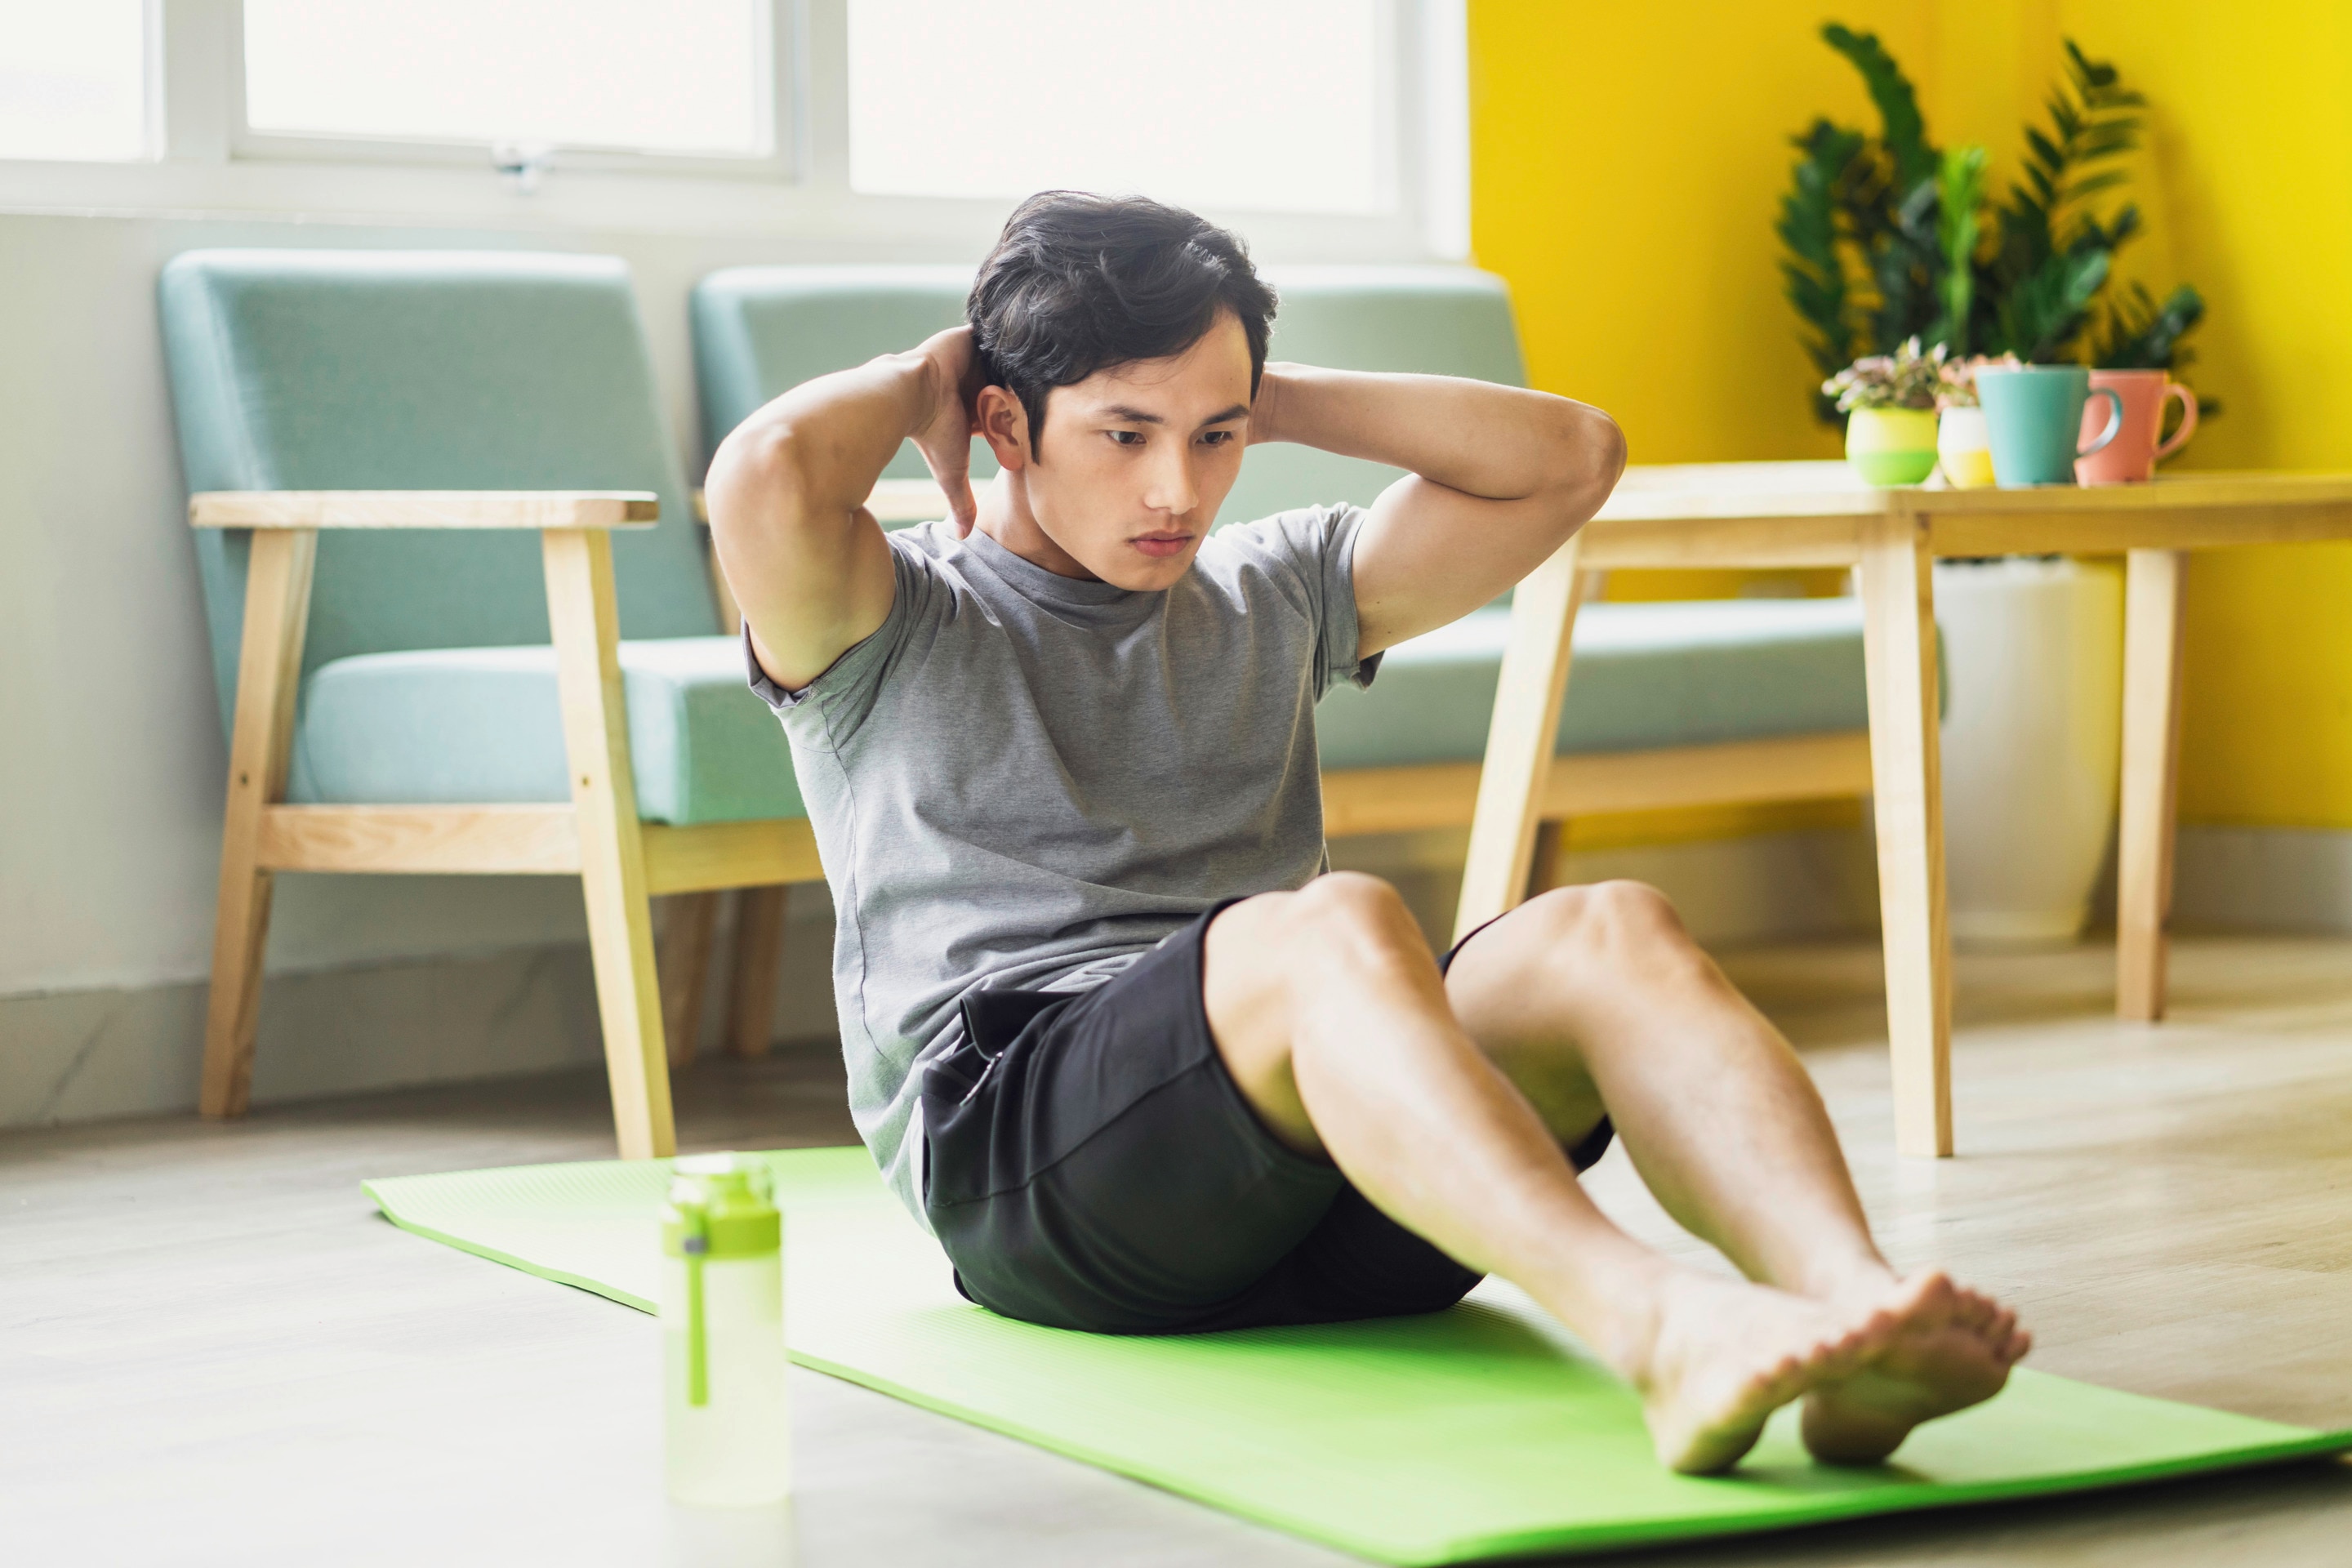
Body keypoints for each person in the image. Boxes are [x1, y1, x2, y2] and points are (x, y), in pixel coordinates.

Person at [706, 191, 2029, 1474]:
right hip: (1034, 1173)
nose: (1179, 488)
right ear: (1004, 423)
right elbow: (763, 477)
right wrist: (925, 377)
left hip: (1333, 1173)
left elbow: (1575, 458)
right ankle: (1659, 1328)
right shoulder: (889, 617)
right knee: (1335, 926)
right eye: (1124, 435)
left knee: (1610, 928)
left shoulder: (1268, 585)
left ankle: (1859, 1316)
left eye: (1214, 437)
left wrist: (1260, 392)